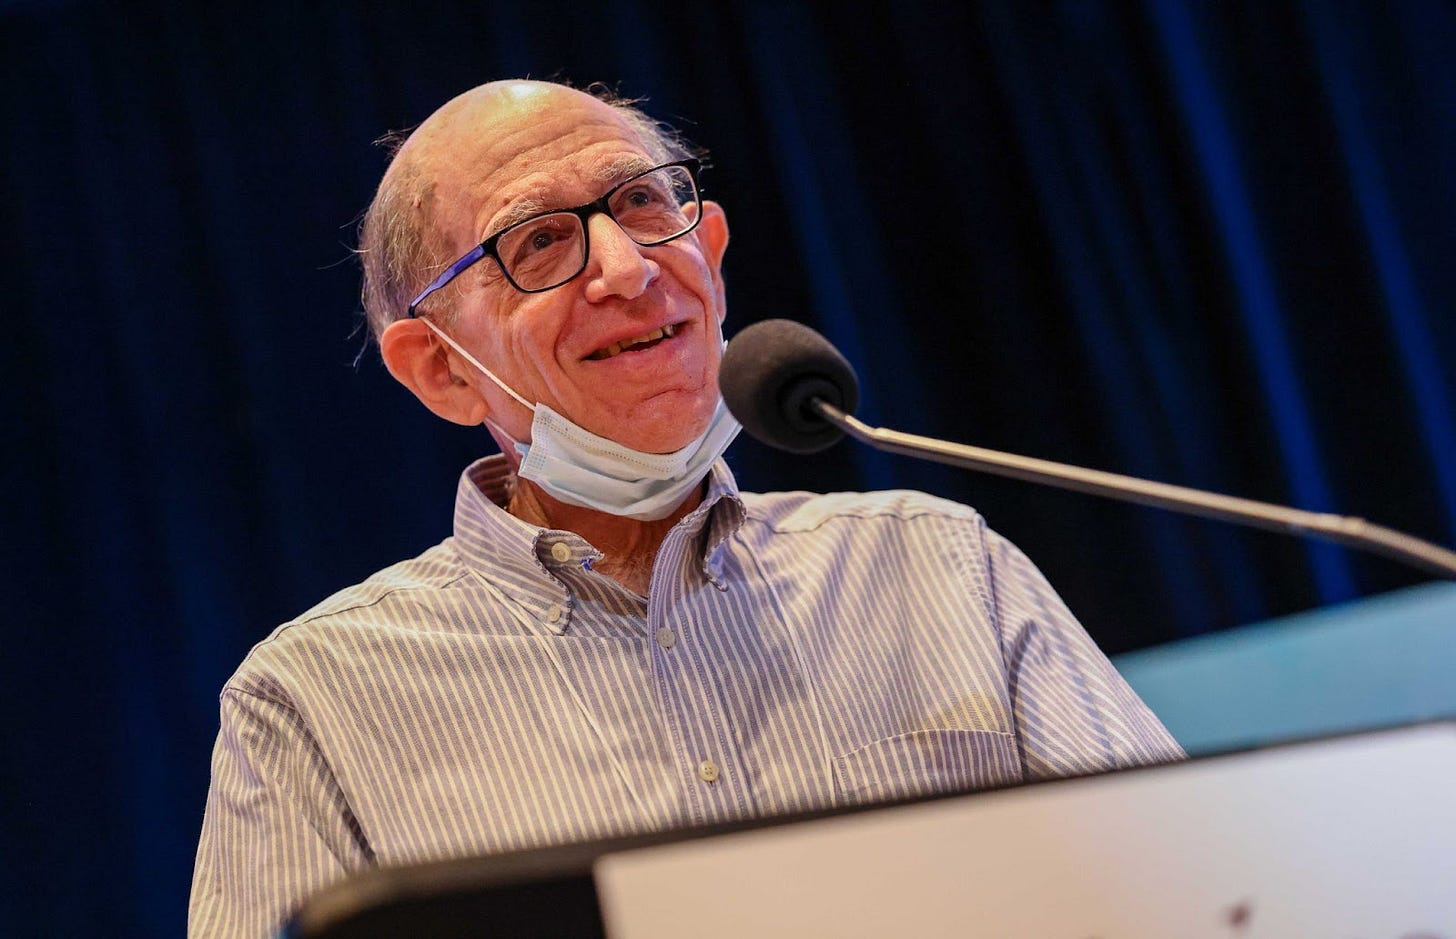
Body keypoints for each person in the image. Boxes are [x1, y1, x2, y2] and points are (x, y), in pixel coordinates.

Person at [188, 79, 1183, 937]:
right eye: (537, 243)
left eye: (644, 204)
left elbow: (1194, 893)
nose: (628, 269)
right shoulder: (311, 705)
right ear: (443, 369)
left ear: (707, 245)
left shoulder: (939, 566)